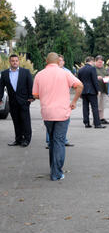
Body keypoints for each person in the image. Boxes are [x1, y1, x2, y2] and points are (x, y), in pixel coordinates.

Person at [32, 52, 83, 181]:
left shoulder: (39, 74)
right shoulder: (65, 73)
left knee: (53, 142)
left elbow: (35, 95)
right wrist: (74, 101)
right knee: (59, 141)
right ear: (57, 61)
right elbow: (80, 86)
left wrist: (45, 95)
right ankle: (56, 173)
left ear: (46, 61)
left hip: (47, 113)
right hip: (62, 112)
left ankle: (53, 168)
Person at [0, 54, 34, 147]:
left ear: (18, 62)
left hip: (24, 101)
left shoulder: (25, 72)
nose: (14, 62)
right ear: (9, 62)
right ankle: (18, 139)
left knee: (25, 121)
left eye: (16, 61)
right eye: (12, 61)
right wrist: (0, 98)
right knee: (16, 121)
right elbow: (1, 87)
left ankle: (26, 140)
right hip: (13, 101)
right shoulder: (4, 73)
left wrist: (31, 97)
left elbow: (30, 85)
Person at [45, 55, 74, 148]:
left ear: (63, 62)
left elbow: (74, 85)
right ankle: (50, 141)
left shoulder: (67, 72)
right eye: (58, 60)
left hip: (63, 100)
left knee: (63, 121)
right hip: (51, 100)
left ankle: (63, 140)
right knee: (50, 119)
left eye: (61, 60)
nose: (60, 62)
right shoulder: (48, 72)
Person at [77, 56, 106, 129]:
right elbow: (94, 80)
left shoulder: (80, 70)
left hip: (83, 90)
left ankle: (86, 122)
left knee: (85, 107)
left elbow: (79, 82)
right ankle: (97, 124)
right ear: (92, 61)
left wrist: (79, 92)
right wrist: (98, 90)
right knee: (94, 107)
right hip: (92, 91)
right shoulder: (92, 68)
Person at [95, 55, 109, 125]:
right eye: (99, 62)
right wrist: (96, 77)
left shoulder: (104, 68)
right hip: (97, 90)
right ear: (95, 62)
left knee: (102, 105)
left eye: (101, 62)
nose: (100, 64)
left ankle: (102, 118)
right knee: (97, 105)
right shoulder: (93, 69)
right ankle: (96, 119)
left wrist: (108, 77)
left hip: (104, 89)